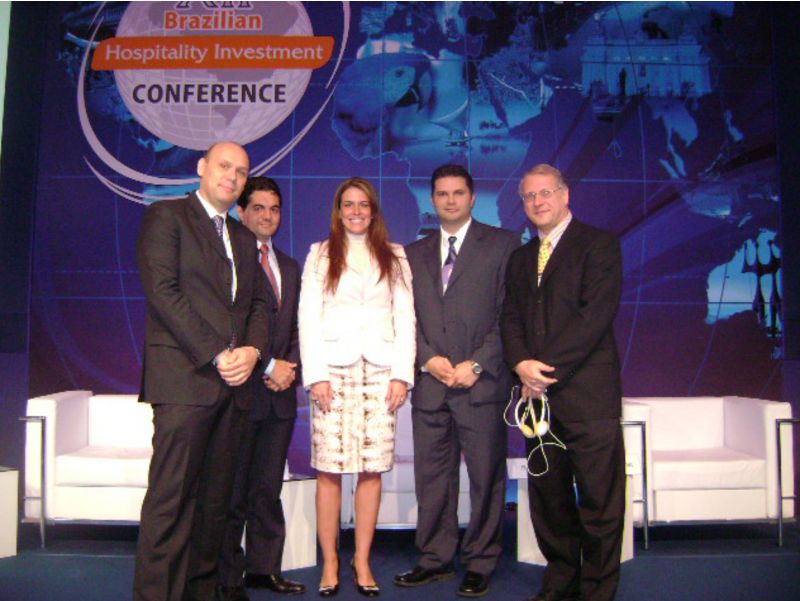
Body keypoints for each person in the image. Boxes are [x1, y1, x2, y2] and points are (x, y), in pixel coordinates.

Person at [134, 142, 270, 601]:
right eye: (224, 166)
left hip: (232, 391)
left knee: (214, 508)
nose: (232, 177)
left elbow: (258, 305)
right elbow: (163, 292)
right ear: (202, 167)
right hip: (184, 383)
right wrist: (217, 353)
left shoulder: (244, 237)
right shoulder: (166, 217)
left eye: (241, 171)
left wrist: (252, 351)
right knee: (171, 504)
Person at [500, 164, 625, 601]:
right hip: (538, 405)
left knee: (599, 502)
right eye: (529, 196)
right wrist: (520, 364)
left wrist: (541, 373)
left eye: (546, 192)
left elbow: (594, 318)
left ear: (565, 195)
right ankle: (561, 582)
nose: (538, 202)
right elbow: (510, 319)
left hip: (588, 398)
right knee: (549, 501)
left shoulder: (599, 245)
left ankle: (597, 591)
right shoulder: (520, 259)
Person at [395, 164, 518, 598]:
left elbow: (510, 315)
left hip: (480, 386)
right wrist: (427, 359)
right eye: (442, 194)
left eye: (458, 193)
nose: (450, 200)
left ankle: (481, 562)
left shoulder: (503, 245)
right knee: (432, 479)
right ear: (433, 199)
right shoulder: (411, 254)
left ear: (472, 197)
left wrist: (477, 364)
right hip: (431, 387)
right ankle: (435, 559)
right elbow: (403, 319)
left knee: (486, 478)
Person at [298, 177, 416, 597]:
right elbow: (307, 316)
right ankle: (331, 561)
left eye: (363, 204)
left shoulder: (395, 255)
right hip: (332, 372)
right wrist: (316, 375)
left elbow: (406, 317)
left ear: (373, 210)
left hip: (381, 373)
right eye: (348, 204)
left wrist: (402, 373)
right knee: (329, 470)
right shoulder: (320, 254)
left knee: (371, 469)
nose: (356, 211)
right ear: (338, 210)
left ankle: (361, 560)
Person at [216, 177, 305, 601]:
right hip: (240, 394)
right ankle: (229, 577)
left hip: (280, 397)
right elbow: (228, 327)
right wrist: (267, 364)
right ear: (241, 211)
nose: (267, 216)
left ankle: (264, 569)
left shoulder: (289, 266)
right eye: (258, 208)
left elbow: (299, 326)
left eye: (274, 209)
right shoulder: (227, 262)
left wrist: (289, 367)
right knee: (232, 492)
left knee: (268, 489)